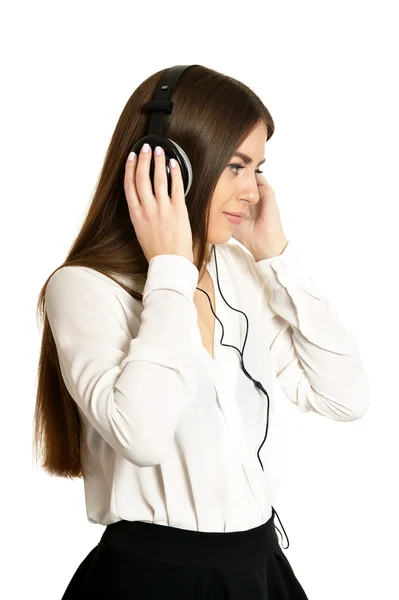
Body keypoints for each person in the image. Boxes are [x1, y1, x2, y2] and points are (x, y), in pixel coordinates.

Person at [33, 65, 370, 599]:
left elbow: (345, 397)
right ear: (168, 167)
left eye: (258, 169)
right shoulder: (83, 288)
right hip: (152, 582)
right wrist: (169, 267)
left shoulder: (238, 272)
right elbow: (141, 436)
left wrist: (278, 258)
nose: (253, 193)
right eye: (236, 166)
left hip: (261, 570)